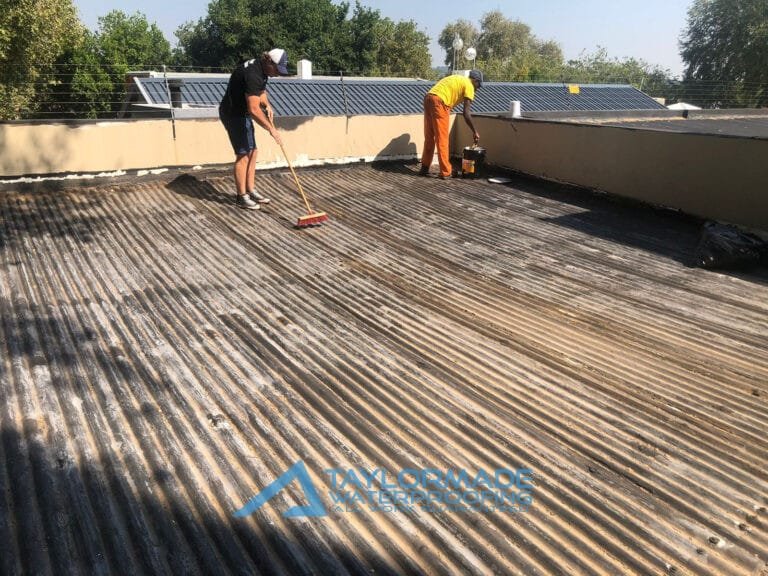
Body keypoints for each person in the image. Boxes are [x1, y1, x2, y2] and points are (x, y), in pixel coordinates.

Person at [219, 49, 290, 210]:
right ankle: (241, 197)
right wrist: (271, 129)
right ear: (269, 61)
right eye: (277, 70)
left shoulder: (262, 70)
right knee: (243, 154)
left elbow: (260, 92)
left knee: (253, 151)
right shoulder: (253, 74)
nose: (277, 74)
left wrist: (267, 104)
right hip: (233, 114)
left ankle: (250, 190)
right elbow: (254, 109)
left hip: (242, 113)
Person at [420, 70, 483, 179]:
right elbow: (466, 113)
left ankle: (424, 168)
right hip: (440, 102)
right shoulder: (469, 86)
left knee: (429, 137)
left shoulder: (459, 78)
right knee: (442, 139)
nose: (478, 89)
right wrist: (475, 131)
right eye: (479, 85)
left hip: (429, 98)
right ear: (475, 80)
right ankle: (446, 172)